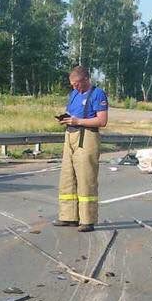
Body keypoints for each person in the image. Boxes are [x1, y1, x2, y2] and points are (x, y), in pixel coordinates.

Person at [56, 65, 109, 231]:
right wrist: (66, 120)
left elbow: (102, 121)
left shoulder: (98, 94)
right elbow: (72, 113)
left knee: (86, 178)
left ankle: (87, 220)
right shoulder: (73, 94)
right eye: (72, 84)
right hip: (70, 135)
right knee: (67, 176)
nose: (75, 87)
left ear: (86, 79)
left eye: (77, 84)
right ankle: (69, 216)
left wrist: (78, 121)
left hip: (87, 136)